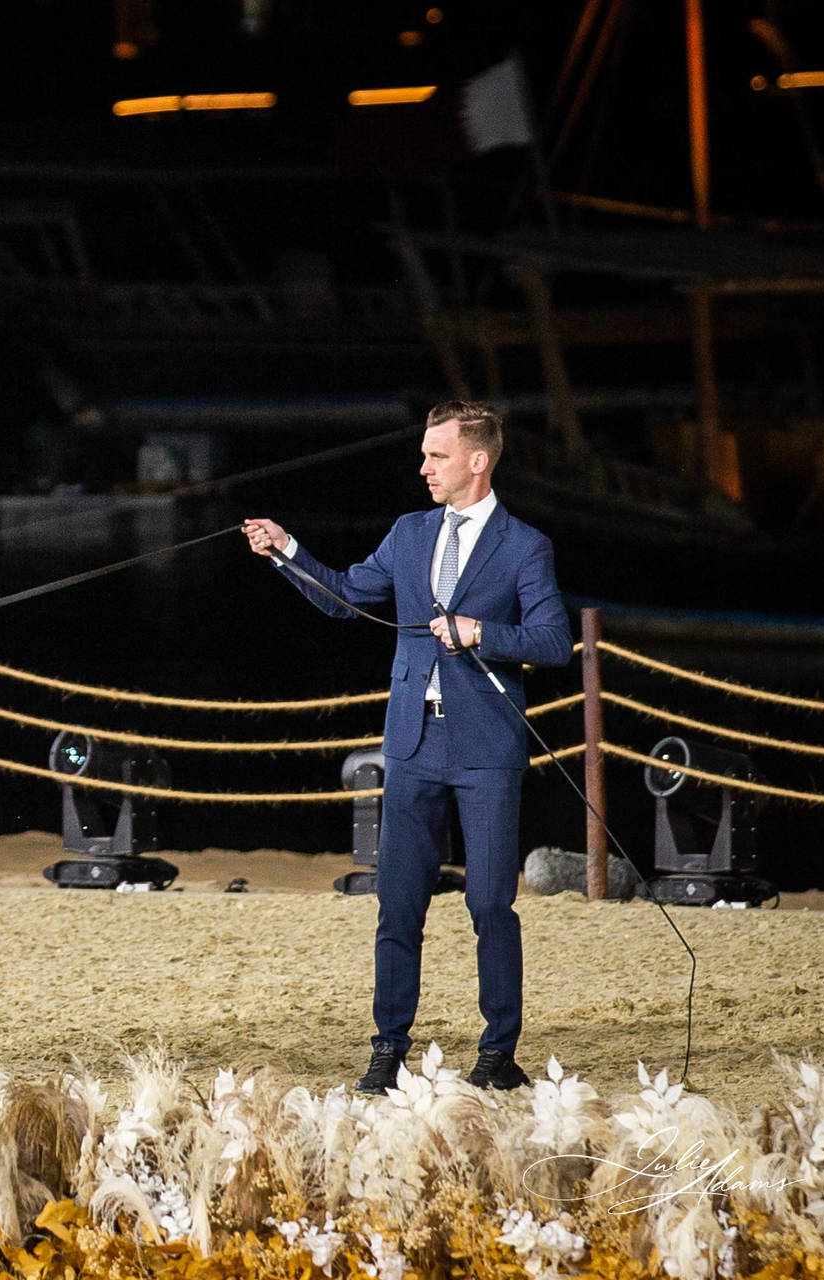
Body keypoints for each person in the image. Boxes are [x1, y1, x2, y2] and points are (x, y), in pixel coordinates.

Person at [242, 401, 572, 1094]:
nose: (423, 467)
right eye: (424, 455)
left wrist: (483, 632)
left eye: (437, 456)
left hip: (486, 748)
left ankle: (496, 1055)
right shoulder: (410, 532)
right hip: (413, 744)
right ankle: (387, 1050)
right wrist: (287, 551)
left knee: (489, 905)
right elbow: (342, 597)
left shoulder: (524, 546)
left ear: (477, 461)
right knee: (398, 907)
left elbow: (550, 642)